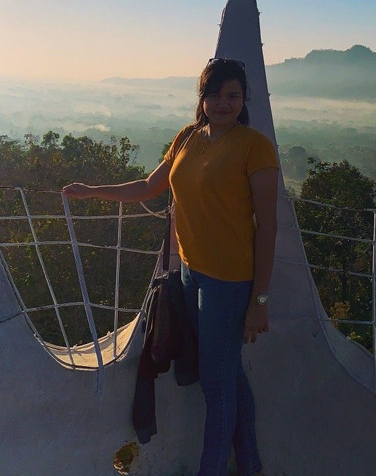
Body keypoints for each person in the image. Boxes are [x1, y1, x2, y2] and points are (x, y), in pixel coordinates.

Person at [63, 58, 278, 476]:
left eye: (232, 95)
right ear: (202, 98)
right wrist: (92, 191)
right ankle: (250, 464)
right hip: (189, 273)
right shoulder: (187, 138)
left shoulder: (254, 146)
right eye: (214, 94)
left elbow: (268, 226)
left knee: (216, 388)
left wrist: (261, 299)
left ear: (244, 99)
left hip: (229, 282)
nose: (223, 103)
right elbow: (148, 186)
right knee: (227, 374)